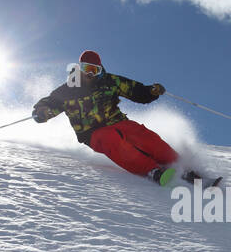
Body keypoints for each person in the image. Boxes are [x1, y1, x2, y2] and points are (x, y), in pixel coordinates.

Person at [32, 50, 187, 185]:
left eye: (95, 70)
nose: (90, 74)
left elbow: (135, 90)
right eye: (87, 69)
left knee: (141, 135)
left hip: (117, 121)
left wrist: (150, 92)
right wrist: (42, 111)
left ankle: (180, 165)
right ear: (80, 68)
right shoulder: (68, 90)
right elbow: (50, 103)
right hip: (91, 132)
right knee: (110, 139)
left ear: (100, 70)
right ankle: (151, 171)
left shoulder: (110, 81)